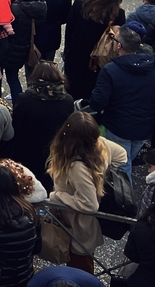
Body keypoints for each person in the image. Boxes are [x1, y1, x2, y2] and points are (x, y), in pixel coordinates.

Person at [45, 111, 128, 274]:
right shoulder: (101, 145)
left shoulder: (78, 166)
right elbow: (122, 155)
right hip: (77, 224)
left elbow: (90, 205)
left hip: (79, 226)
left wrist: (57, 196)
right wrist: (102, 172)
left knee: (80, 268)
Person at [87, 26, 155, 177]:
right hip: (144, 127)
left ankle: (122, 198)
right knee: (127, 159)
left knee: (122, 167)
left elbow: (97, 102)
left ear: (119, 45)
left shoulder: (110, 70)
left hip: (118, 127)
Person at [2, 61, 75, 190]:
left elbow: (16, 128)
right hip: (54, 151)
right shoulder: (67, 101)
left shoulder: (25, 99)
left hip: (28, 150)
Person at [63, 0, 125, 102]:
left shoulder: (81, 4)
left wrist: (67, 50)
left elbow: (70, 29)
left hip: (77, 53)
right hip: (100, 58)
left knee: (72, 87)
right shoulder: (117, 13)